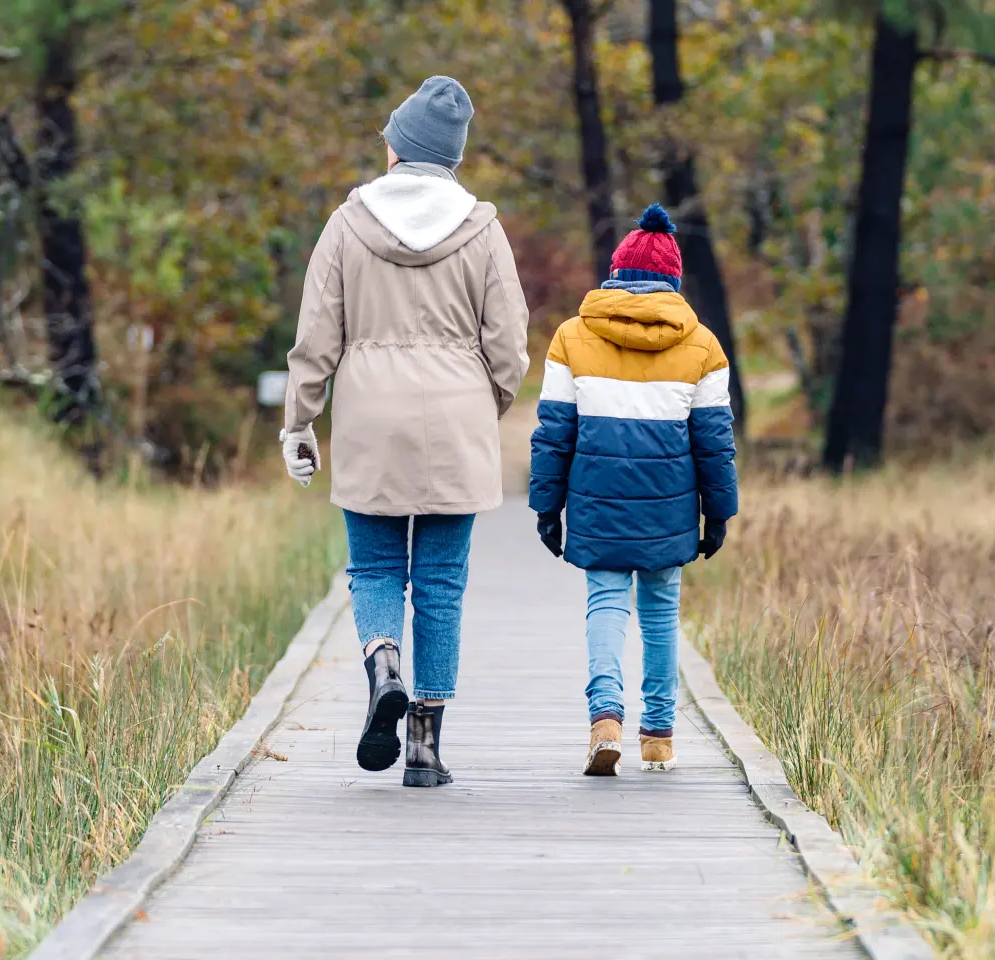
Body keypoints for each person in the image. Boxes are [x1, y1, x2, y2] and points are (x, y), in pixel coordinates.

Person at [280, 76, 530, 788]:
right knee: (443, 584)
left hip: (368, 422)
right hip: (458, 418)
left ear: (402, 146)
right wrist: (487, 404)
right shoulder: (483, 229)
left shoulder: (347, 224)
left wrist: (299, 420)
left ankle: (383, 663)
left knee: (377, 568)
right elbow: (509, 342)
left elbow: (315, 338)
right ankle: (423, 747)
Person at [527, 204, 739, 776]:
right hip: (670, 503)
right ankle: (659, 737)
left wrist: (547, 507)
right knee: (662, 610)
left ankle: (604, 721)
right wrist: (718, 513)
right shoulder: (704, 347)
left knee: (606, 602)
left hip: (597, 499)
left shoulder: (572, 338)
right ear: (674, 282)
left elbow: (553, 433)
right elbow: (714, 444)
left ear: (616, 274)